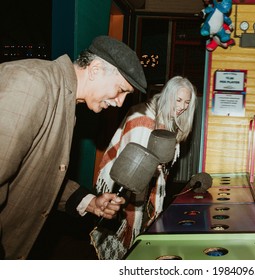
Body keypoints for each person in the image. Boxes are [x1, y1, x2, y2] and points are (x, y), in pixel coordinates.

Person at [0, 35, 147, 259]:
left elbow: (39, 173)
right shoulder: (31, 83)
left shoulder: (65, 99)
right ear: (95, 69)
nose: (120, 102)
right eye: (120, 90)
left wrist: (90, 203)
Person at [93, 76, 197, 259]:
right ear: (168, 96)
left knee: (141, 235)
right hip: (125, 183)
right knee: (124, 235)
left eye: (187, 102)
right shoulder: (143, 117)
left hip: (149, 185)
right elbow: (131, 165)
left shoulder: (168, 120)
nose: (182, 107)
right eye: (178, 100)